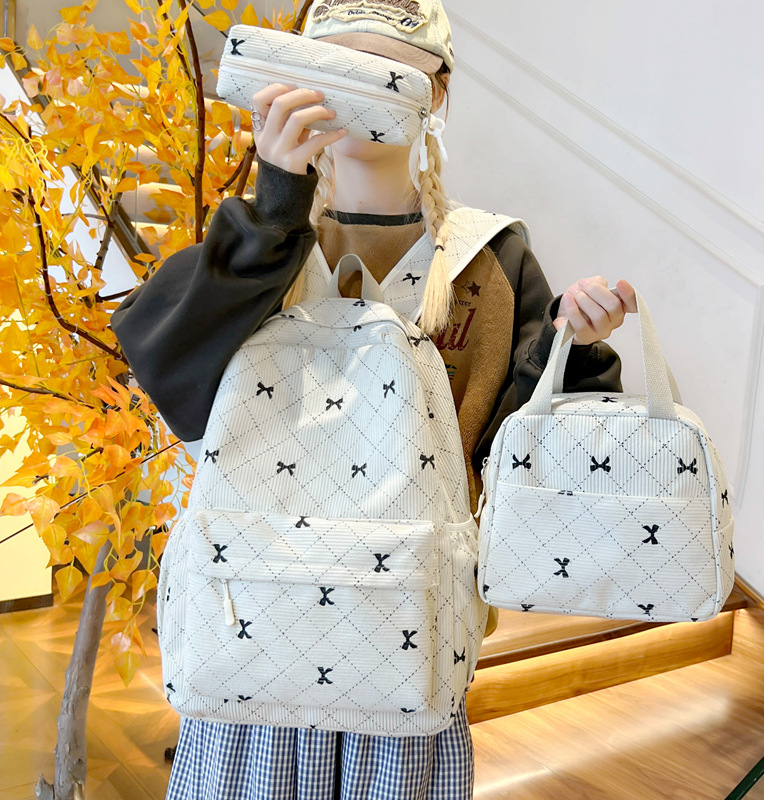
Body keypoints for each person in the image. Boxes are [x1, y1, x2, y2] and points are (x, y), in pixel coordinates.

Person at [110, 1, 635, 797]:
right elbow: (172, 376)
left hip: (407, 646)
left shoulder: (490, 261)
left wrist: (573, 344)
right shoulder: (259, 242)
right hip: (252, 639)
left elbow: (522, 456)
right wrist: (276, 205)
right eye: (332, 69)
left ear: (437, 91)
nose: (356, 91)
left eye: (385, 71)